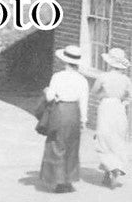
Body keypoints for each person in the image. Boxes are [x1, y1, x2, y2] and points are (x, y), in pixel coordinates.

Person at [40, 44, 89, 193]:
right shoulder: (82, 80)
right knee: (72, 146)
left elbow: (49, 97)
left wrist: (47, 90)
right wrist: (84, 120)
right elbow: (84, 101)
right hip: (74, 112)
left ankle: (58, 180)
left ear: (64, 61)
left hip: (60, 111)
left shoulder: (57, 77)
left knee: (57, 145)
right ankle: (69, 180)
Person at [94, 48, 130, 188]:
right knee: (117, 138)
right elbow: (130, 96)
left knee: (104, 139)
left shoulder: (103, 77)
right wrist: (124, 102)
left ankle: (111, 168)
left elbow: (95, 92)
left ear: (110, 63)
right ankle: (112, 170)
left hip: (106, 107)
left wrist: (102, 97)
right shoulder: (126, 79)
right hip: (119, 108)